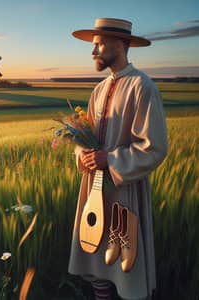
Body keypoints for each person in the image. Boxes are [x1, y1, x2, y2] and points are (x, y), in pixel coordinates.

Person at [68, 18, 168, 300]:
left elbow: (154, 147)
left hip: (125, 190)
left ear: (121, 44)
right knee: (96, 260)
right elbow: (82, 136)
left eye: (98, 44)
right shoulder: (98, 90)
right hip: (94, 189)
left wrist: (110, 160)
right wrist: (82, 154)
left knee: (125, 261)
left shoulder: (142, 86)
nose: (93, 52)